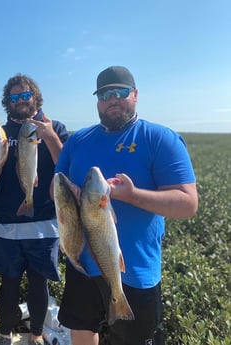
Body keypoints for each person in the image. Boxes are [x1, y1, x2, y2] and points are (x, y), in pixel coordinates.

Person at [55, 66, 198, 345]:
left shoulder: (160, 139)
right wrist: (68, 192)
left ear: (135, 95)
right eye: (105, 94)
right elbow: (55, 184)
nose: (113, 100)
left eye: (120, 92)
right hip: (83, 264)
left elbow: (188, 204)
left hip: (134, 271)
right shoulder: (78, 140)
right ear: (98, 101)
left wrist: (132, 195)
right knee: (82, 330)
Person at [0, 73, 69, 345]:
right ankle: (5, 333)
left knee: (39, 283)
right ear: (8, 102)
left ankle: (37, 334)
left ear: (35, 98)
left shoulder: (55, 127)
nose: (20, 101)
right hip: (8, 222)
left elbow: (67, 165)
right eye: (14, 97)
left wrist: (50, 136)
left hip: (44, 222)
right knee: (8, 282)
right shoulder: (2, 133)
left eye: (25, 95)